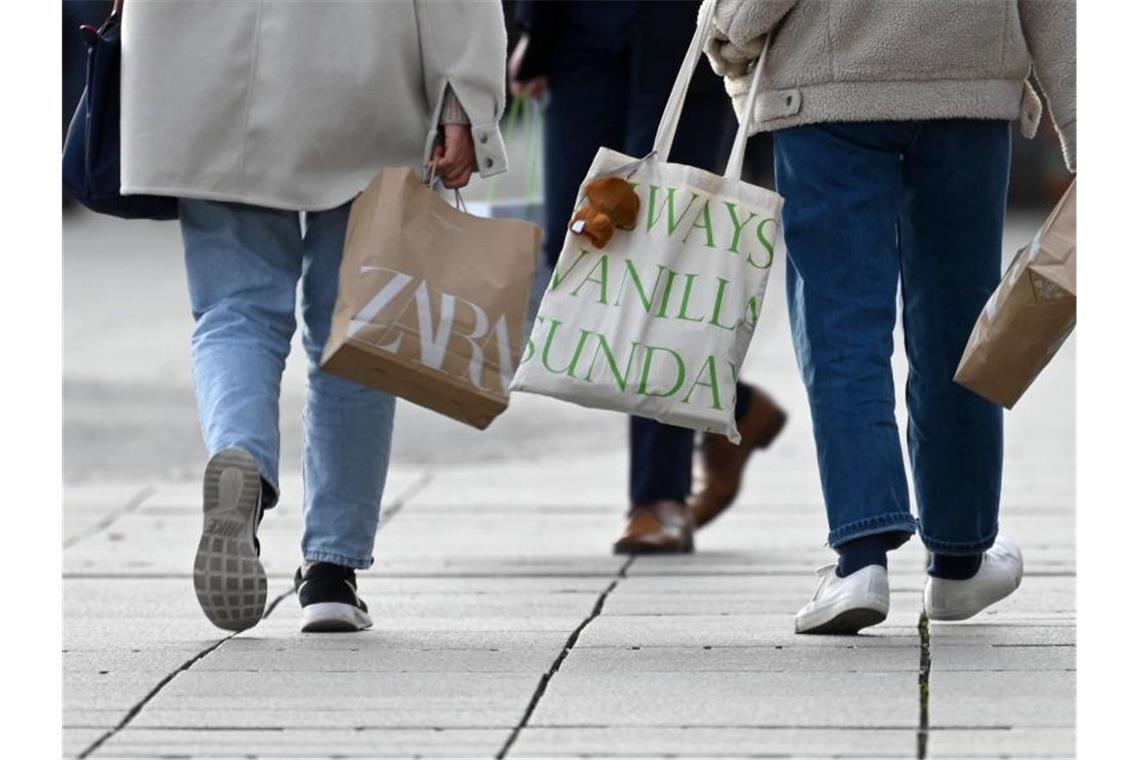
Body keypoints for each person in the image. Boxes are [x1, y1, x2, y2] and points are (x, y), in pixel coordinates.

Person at [119, 0, 509, 633]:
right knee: (354, 328)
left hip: (201, 75)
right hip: (365, 81)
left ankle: (241, 454)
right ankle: (331, 572)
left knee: (233, 309)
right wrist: (467, 99)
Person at [702, 0, 1075, 633]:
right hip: (967, 84)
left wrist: (729, 27)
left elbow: (744, 17)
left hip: (828, 88)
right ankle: (959, 562)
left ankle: (860, 559)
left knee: (840, 325)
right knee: (961, 328)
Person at [510, 0, 786, 556]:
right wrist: (534, 31)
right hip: (581, 37)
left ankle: (660, 499)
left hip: (689, 36)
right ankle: (734, 407)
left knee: (668, 260)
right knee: (582, 244)